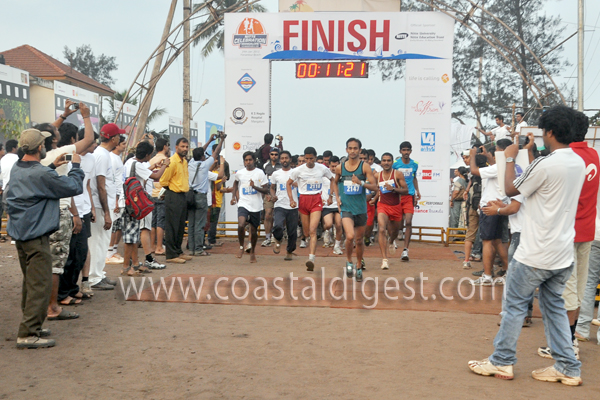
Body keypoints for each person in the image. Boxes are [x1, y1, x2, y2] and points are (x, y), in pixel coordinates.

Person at [468, 105, 585, 385]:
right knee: (554, 309)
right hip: (561, 252)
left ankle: (502, 360)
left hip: (535, 251)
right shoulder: (577, 162)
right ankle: (568, 367)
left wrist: (510, 158)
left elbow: (510, 188)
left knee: (513, 307)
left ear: (550, 132)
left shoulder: (546, 164)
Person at [8, 128, 84, 348]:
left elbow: (36, 180)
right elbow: (73, 186)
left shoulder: (18, 167)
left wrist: (51, 166)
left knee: (31, 283)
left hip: (22, 233)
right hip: (36, 235)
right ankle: (28, 333)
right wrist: (76, 167)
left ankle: (33, 325)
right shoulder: (41, 173)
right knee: (40, 285)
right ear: (40, 147)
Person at [538, 109, 599, 357]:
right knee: (578, 289)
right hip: (587, 230)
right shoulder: (593, 154)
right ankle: (569, 341)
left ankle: (567, 344)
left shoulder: (567, 158)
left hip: (566, 233)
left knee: (566, 292)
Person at [38, 105, 95, 317]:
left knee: (44, 261)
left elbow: (42, 133)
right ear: (54, 139)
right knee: (57, 263)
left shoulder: (32, 157)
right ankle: (53, 306)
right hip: (59, 210)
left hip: (41, 211)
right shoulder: (59, 154)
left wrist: (63, 116)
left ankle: (45, 302)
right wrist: (86, 116)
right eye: (55, 131)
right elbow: (88, 139)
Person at [58, 128, 99, 306]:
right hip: (71, 211)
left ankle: (73, 288)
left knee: (81, 253)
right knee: (69, 254)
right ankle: (63, 292)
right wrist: (74, 214)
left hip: (85, 210)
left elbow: (87, 185)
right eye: (92, 141)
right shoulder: (66, 159)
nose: (94, 144)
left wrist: (91, 207)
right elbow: (68, 190)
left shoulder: (90, 159)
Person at [121, 142, 170, 275]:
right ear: (147, 154)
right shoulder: (137, 165)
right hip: (134, 204)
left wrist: (153, 166)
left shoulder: (130, 162)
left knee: (133, 236)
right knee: (130, 237)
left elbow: (144, 173)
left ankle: (135, 264)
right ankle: (126, 267)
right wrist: (165, 165)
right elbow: (156, 176)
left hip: (129, 201)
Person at [468, 140, 512, 286]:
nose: (495, 153)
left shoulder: (499, 166)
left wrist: (472, 156)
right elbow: (495, 167)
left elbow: (474, 171)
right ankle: (508, 272)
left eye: (497, 150)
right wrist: (488, 156)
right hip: (499, 205)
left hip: (489, 206)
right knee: (498, 241)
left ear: (502, 151)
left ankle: (487, 276)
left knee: (487, 241)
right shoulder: (507, 166)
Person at [332, 138, 377, 281]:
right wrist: (337, 197)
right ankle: (349, 261)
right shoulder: (340, 168)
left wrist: (361, 183)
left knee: (359, 240)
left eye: (355, 148)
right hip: (346, 208)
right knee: (350, 236)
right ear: (346, 150)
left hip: (361, 209)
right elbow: (334, 182)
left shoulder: (365, 167)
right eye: (350, 148)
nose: (352, 151)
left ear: (359, 150)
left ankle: (358, 264)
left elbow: (375, 187)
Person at [89, 123, 125, 290]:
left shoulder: (102, 154)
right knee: (98, 242)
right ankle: (94, 277)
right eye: (118, 136)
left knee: (101, 242)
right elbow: (100, 185)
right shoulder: (102, 155)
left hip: (102, 204)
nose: (119, 138)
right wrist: (106, 212)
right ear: (113, 138)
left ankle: (99, 274)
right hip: (100, 205)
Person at [288, 146, 334, 271]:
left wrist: (330, 196)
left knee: (313, 230)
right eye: (307, 159)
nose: (309, 161)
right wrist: (291, 199)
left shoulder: (322, 168)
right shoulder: (298, 170)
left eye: (311, 158)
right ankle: (309, 239)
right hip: (303, 200)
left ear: (315, 157)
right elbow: (288, 183)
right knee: (307, 232)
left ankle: (311, 258)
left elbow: (332, 179)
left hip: (316, 200)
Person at [188, 133, 226, 256]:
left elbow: (200, 152)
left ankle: (192, 248)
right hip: (201, 196)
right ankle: (198, 249)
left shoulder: (190, 163)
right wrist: (221, 140)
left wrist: (209, 140)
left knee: (192, 224)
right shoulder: (205, 165)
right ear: (203, 156)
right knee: (199, 224)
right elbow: (216, 153)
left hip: (190, 196)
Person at [231, 151, 268, 263]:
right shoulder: (240, 173)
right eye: (246, 160)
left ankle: (252, 252)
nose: (248, 162)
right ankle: (241, 247)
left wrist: (255, 187)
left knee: (253, 230)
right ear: (244, 162)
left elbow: (266, 189)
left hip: (256, 206)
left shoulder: (260, 173)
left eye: (250, 160)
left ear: (254, 160)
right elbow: (235, 183)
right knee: (241, 224)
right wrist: (233, 196)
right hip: (243, 203)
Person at [159, 137, 192, 264]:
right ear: (176, 147)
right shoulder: (172, 161)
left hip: (182, 195)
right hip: (173, 195)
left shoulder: (184, 162)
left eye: (186, 147)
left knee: (180, 226)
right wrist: (172, 190)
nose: (185, 149)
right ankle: (171, 254)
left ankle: (178, 251)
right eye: (182, 146)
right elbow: (163, 181)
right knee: (172, 226)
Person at [374, 152, 408, 270]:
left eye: (388, 160)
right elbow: (376, 189)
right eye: (384, 160)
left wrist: (393, 189)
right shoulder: (377, 175)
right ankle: (384, 259)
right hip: (382, 205)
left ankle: (391, 241)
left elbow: (406, 190)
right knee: (382, 229)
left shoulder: (397, 174)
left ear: (392, 162)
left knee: (394, 231)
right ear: (381, 162)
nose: (386, 163)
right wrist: (373, 199)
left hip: (396, 206)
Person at [393, 141, 421, 261]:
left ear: (410, 151)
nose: (406, 152)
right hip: (397, 196)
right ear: (400, 151)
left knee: (408, 221)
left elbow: (414, 178)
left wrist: (417, 191)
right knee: (397, 223)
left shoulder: (414, 164)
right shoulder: (395, 164)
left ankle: (405, 250)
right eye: (403, 150)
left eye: (407, 150)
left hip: (409, 195)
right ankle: (394, 237)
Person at [269, 150, 298, 260]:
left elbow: (302, 185)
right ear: (280, 160)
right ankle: (278, 239)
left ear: (290, 159)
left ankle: (289, 251)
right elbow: (272, 188)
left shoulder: (296, 172)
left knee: (292, 231)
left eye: (286, 158)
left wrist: (296, 184)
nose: (284, 160)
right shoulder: (276, 174)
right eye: (282, 158)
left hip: (293, 205)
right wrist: (273, 196)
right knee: (277, 225)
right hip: (279, 204)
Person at [106, 134, 127, 265]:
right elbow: (112, 180)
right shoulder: (112, 158)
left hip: (120, 195)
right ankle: (108, 253)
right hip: (115, 196)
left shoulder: (118, 158)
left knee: (119, 225)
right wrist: (115, 199)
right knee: (114, 226)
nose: (125, 146)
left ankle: (113, 250)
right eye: (123, 144)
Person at [149, 138, 170, 255]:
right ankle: (159, 247)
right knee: (161, 222)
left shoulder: (151, 160)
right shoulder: (166, 160)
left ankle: (152, 245)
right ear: (165, 146)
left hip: (152, 193)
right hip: (162, 193)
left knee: (153, 221)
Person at [321, 156, 344, 255]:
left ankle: (337, 246)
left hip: (339, 203)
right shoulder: (324, 176)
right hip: (327, 204)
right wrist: (320, 198)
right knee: (328, 224)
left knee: (338, 224)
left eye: (336, 166)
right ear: (329, 166)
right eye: (332, 166)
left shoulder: (342, 176)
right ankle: (327, 232)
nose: (334, 168)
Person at [261, 147, 282, 247]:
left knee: (278, 216)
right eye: (272, 154)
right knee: (268, 215)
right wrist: (266, 194)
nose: (274, 156)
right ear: (269, 155)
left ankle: (277, 235)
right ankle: (267, 237)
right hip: (268, 193)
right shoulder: (265, 165)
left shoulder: (281, 166)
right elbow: (263, 181)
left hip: (280, 194)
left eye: (276, 154)